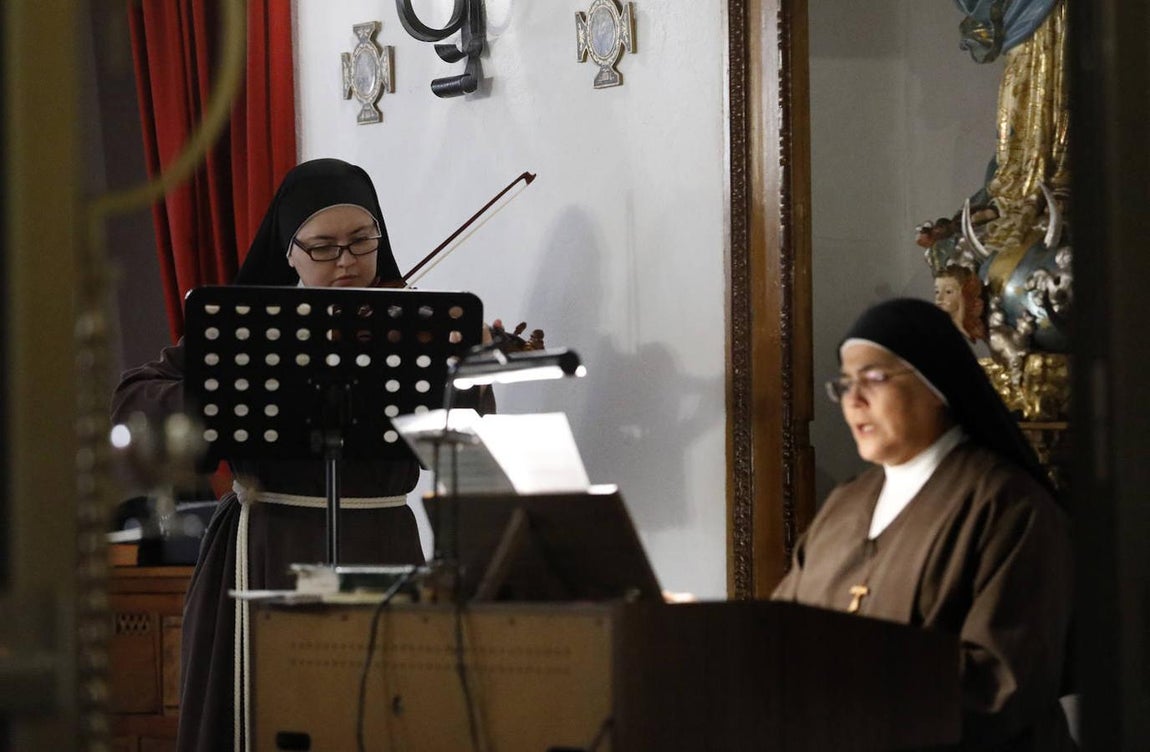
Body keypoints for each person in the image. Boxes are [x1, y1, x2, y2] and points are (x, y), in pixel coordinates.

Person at [111, 158, 491, 752]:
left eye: (362, 242)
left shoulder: (416, 324)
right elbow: (135, 396)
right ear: (287, 252)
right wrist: (220, 393)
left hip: (382, 543)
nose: (346, 262)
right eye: (323, 247)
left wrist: (472, 369)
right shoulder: (246, 328)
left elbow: (465, 449)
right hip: (269, 541)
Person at [772, 297, 1075, 751]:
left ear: (937, 386)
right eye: (845, 384)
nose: (853, 400)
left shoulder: (1008, 507)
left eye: (874, 378)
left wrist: (844, 673)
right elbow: (776, 634)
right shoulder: (843, 505)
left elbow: (1001, 684)